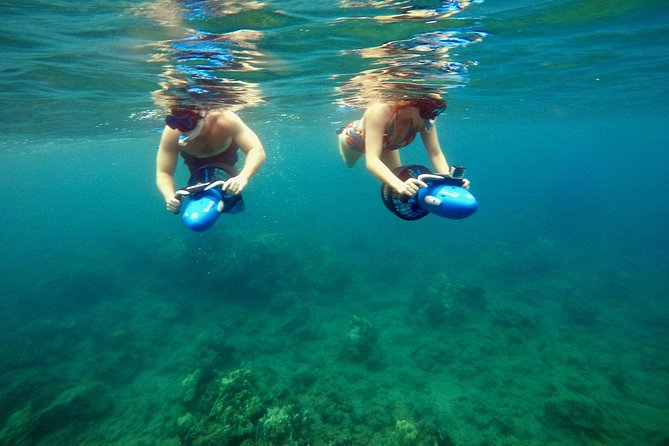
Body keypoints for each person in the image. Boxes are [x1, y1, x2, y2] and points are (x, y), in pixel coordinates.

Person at [338, 95, 469, 196]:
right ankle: (340, 133)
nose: (431, 117)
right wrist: (399, 185)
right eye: (427, 111)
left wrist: (451, 181)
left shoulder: (427, 118)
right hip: (355, 141)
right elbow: (372, 161)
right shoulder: (380, 111)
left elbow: (436, 154)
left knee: (402, 182)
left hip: (389, 146)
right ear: (410, 104)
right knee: (350, 163)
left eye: (434, 111)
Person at [156, 105, 266, 213]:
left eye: (187, 122)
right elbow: (163, 172)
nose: (182, 130)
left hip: (226, 156)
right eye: (173, 122)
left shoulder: (225, 119)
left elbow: (256, 150)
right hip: (195, 162)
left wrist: (243, 177)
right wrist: (169, 196)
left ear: (204, 113)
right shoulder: (171, 133)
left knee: (232, 199)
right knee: (203, 194)